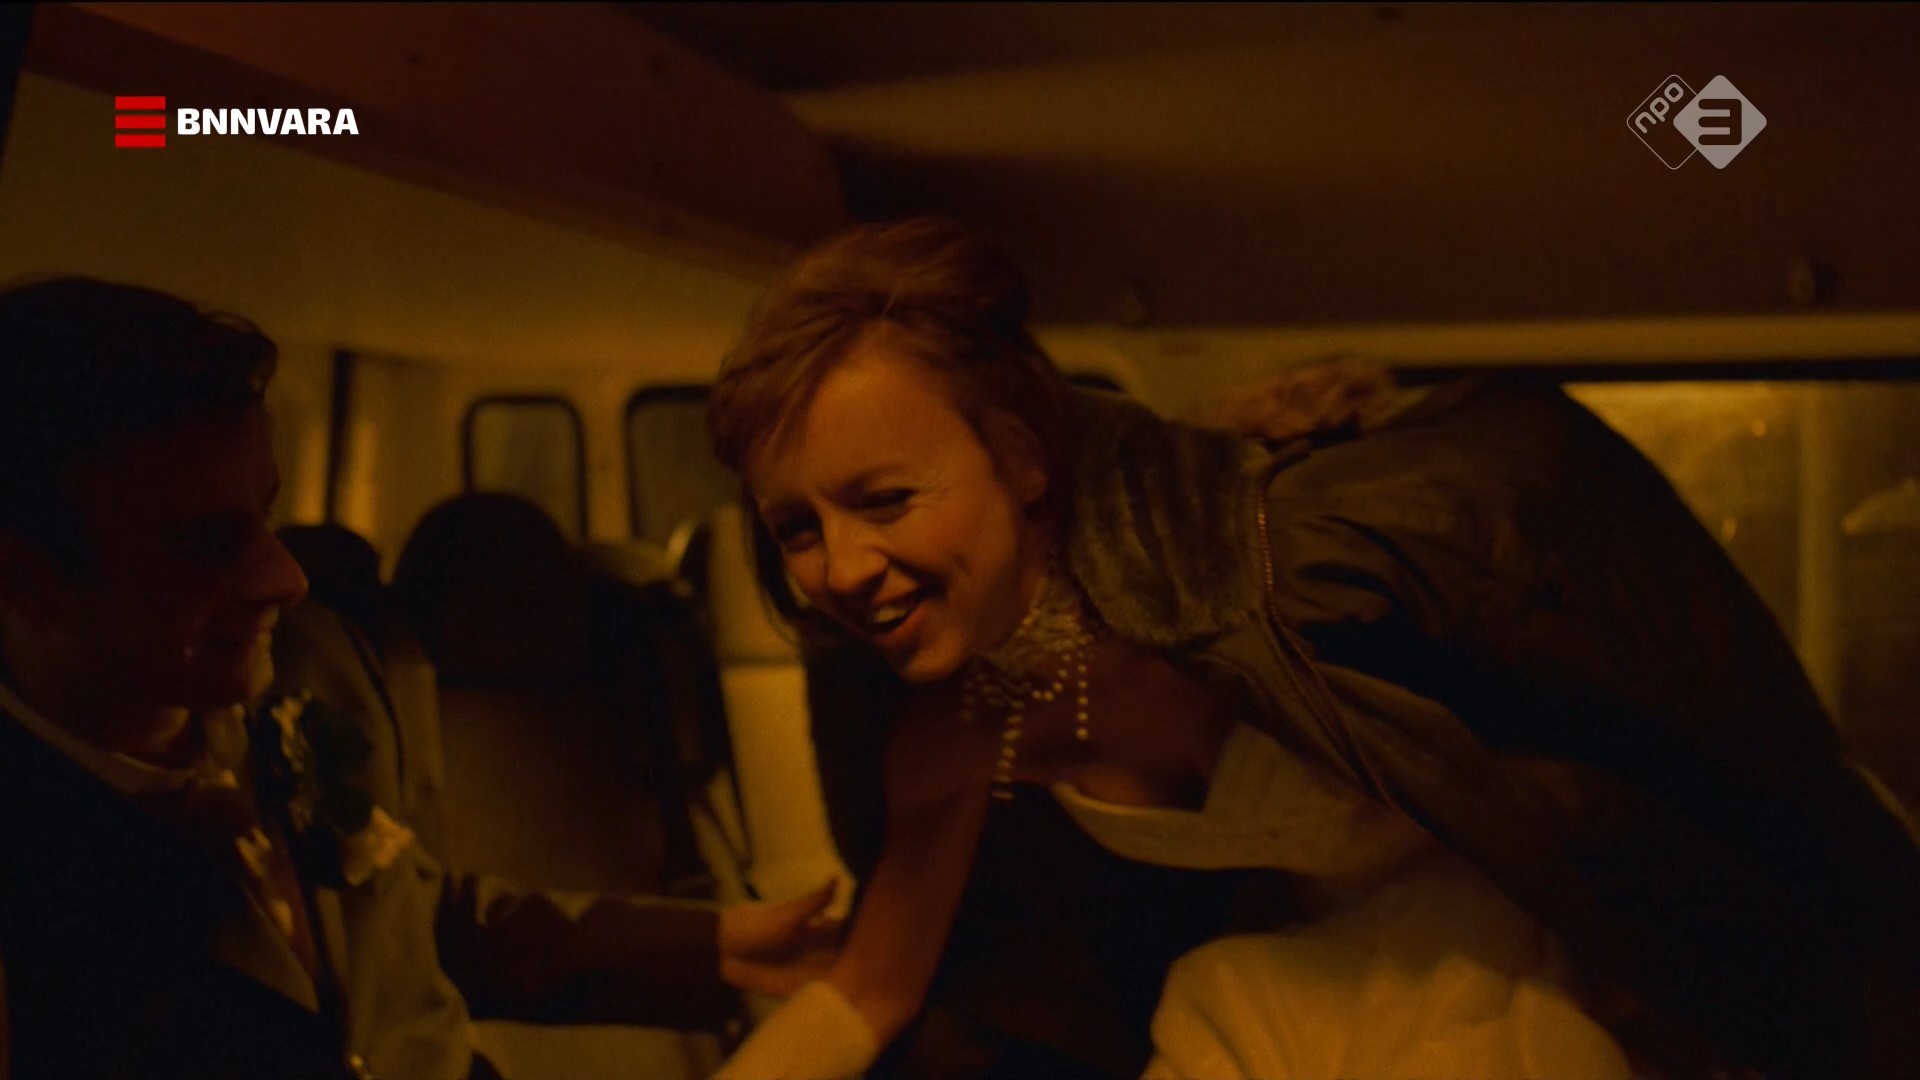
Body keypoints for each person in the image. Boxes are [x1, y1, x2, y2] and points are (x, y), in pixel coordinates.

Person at [701, 219, 1920, 1079]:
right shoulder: (947, 743)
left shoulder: (1298, 577)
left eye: (885, 500)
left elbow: (1631, 734)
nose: (842, 568)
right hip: (1306, 985)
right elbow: (869, 994)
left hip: (1548, 944)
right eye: (798, 529)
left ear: (1021, 461)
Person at [0, 278, 838, 1080]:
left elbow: (405, 921)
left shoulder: (317, 663)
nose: (285, 578)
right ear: (24, 581)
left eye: (267, 514)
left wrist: (715, 946)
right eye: (205, 544)